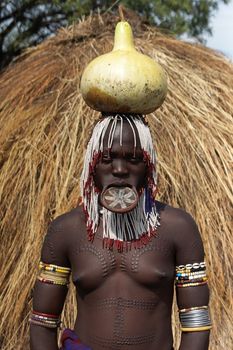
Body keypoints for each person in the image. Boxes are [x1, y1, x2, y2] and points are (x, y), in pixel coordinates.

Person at [30, 113, 211, 350]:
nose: (119, 169)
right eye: (107, 158)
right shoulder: (66, 230)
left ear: (149, 165)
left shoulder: (177, 228)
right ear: (92, 165)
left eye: (133, 159)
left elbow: (196, 321)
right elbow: (43, 321)